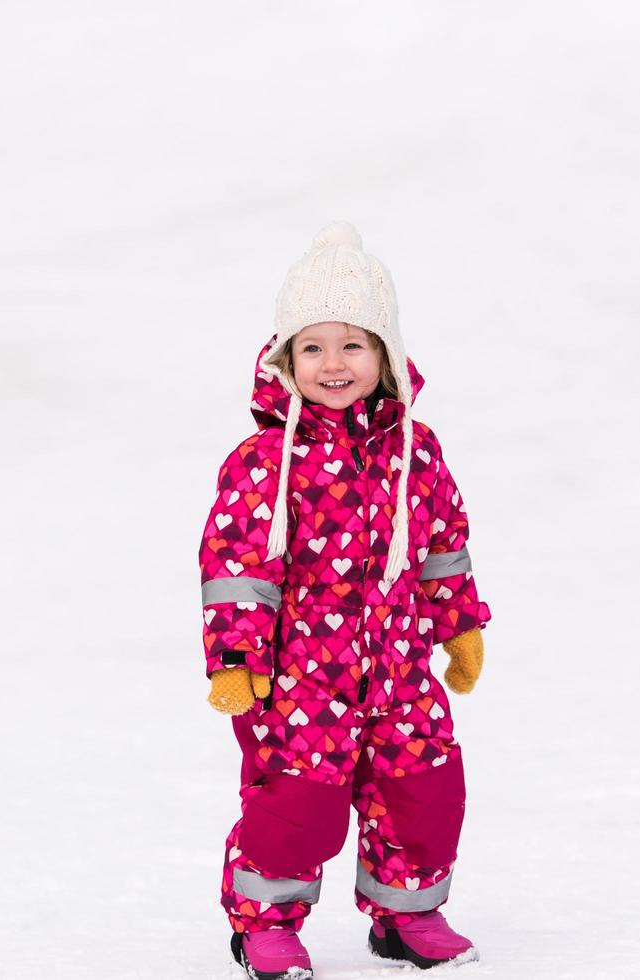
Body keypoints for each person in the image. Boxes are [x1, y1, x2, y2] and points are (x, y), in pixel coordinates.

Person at [198, 222, 492, 979]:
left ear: (385, 354)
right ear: (284, 359)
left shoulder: (414, 450)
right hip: (300, 677)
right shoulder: (266, 460)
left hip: (399, 669)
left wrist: (457, 627)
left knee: (423, 791)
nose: (333, 364)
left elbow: (440, 545)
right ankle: (265, 924)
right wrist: (236, 660)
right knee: (295, 806)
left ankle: (407, 917)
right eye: (313, 347)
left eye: (352, 345)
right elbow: (237, 567)